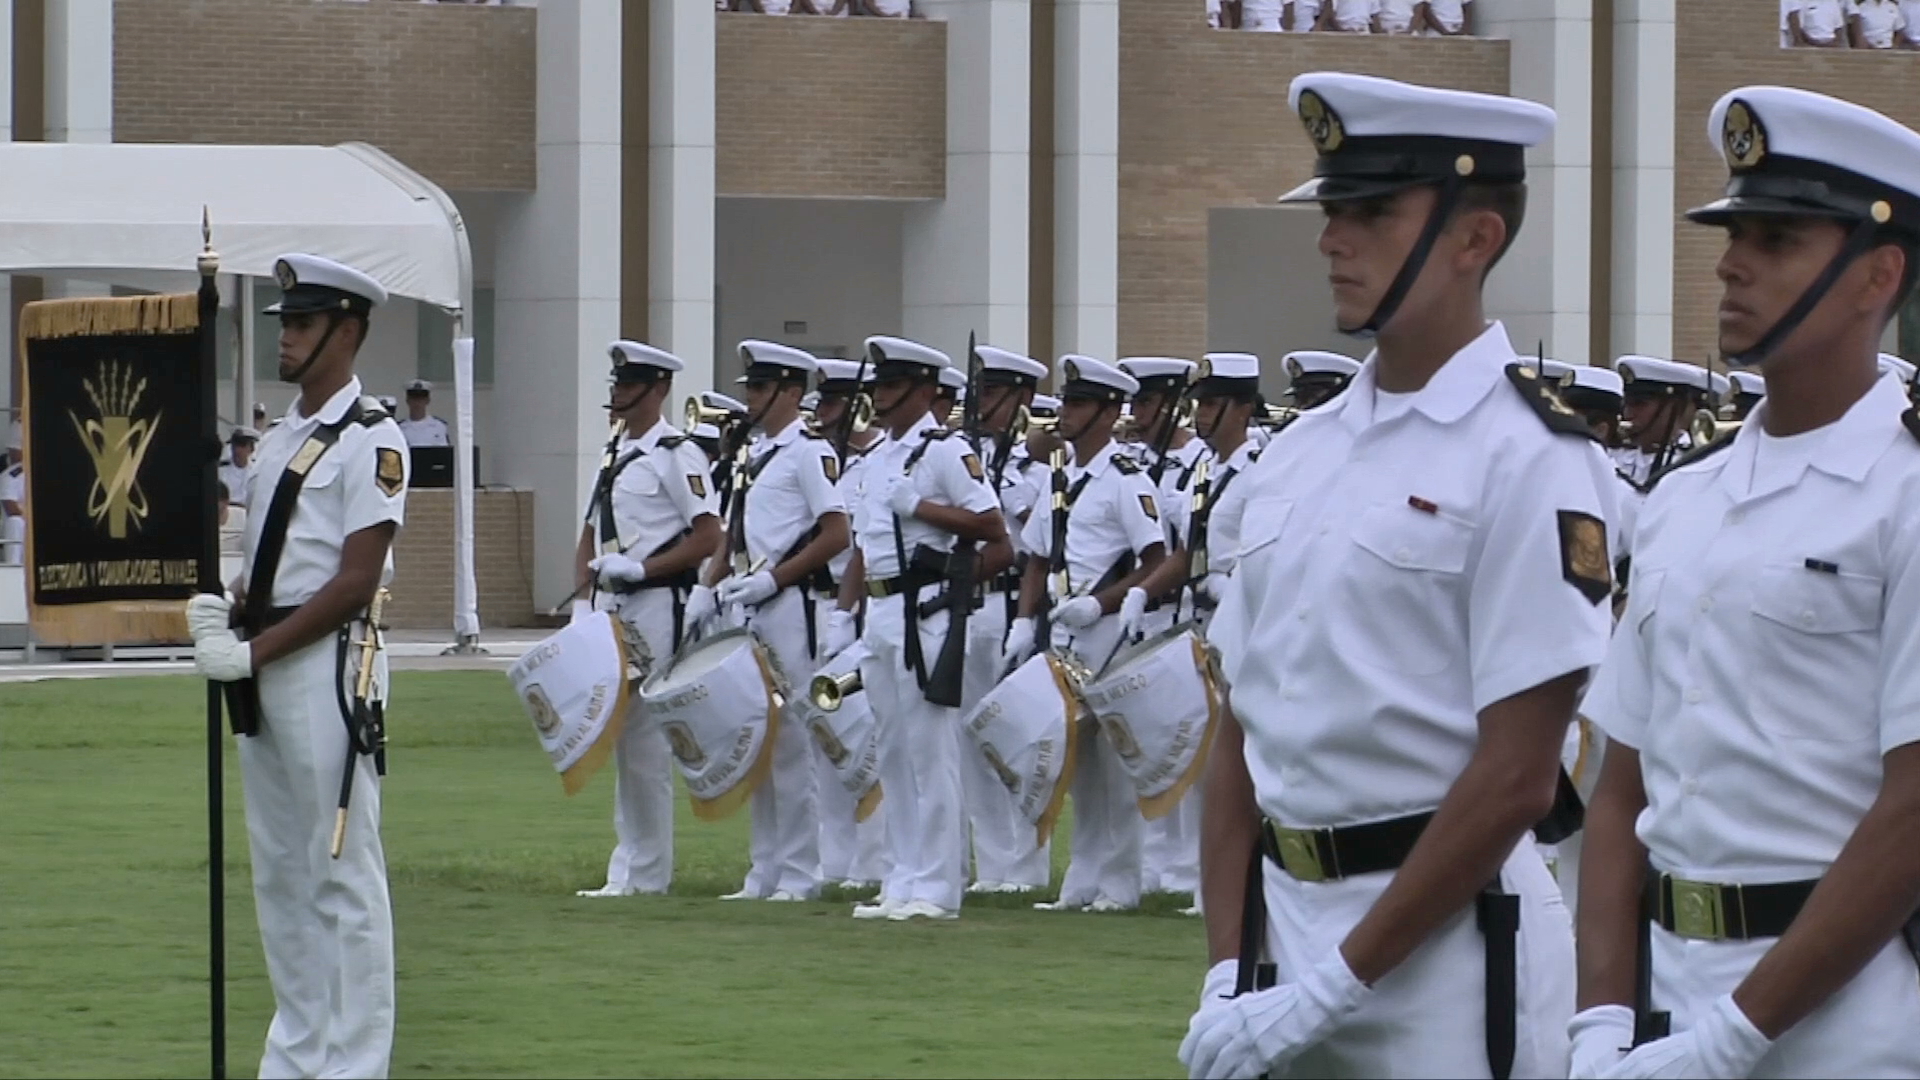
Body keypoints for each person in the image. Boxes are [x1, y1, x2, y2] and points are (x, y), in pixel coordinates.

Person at [1181, 73, 1614, 1080]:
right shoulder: (1298, 454)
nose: (1332, 239)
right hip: (1283, 932)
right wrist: (1230, 970)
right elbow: (1239, 731)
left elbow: (1518, 776)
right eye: (1332, 212)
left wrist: (1338, 985)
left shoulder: (1534, 456)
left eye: (1371, 213)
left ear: (1475, 239)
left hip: (1453, 960)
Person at [1572, 84, 1920, 1080]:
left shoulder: (1906, 491)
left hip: (1853, 1023)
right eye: (1734, 234)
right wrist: (1602, 1019)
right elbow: (1621, 787)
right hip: (1669, 994)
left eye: (1777, 240)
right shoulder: (1688, 495)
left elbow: (1912, 811)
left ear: (1878, 274)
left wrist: (1734, 1040)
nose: (1732, 262)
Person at [184, 253, 407, 1079]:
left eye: (304, 324)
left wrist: (250, 652)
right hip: (265, 663)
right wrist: (229, 606)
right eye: (285, 323)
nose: (286, 338)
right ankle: (298, 1053)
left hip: (327, 668)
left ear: (347, 332)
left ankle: (355, 1064)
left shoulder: (374, 440)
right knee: (280, 874)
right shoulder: (281, 439)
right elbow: (274, 564)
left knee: (342, 871)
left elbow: (354, 583)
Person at [823, 335, 1009, 922]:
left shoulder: (945, 451)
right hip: (881, 612)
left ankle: (938, 885)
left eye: (894, 386)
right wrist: (844, 615)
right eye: (879, 385)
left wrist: (921, 508)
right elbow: (864, 546)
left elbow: (992, 527)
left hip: (923, 609)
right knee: (893, 750)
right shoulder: (879, 456)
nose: (881, 396)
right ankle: (901, 876)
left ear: (925, 391)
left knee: (931, 752)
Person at [1006, 355, 1167, 914]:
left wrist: (1102, 602)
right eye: (1066, 403)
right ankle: (1083, 877)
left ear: (1107, 411)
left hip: (1108, 631)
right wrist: (1024, 620)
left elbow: (1155, 559)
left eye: (1077, 404)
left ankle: (1120, 883)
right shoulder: (1062, 478)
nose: (1065, 414)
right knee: (1079, 765)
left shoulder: (1125, 480)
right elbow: (1036, 556)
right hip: (1065, 632)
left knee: (1117, 764)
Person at [572, 341, 725, 898]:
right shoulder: (613, 452)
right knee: (623, 742)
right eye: (617, 382)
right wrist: (581, 605)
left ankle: (647, 873)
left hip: (658, 603)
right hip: (613, 603)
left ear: (658, 389)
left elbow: (709, 536)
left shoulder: (676, 455)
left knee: (645, 744)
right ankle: (628, 868)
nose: (619, 392)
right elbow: (589, 531)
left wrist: (642, 568)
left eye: (631, 383)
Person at [707, 341, 849, 903]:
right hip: (750, 604)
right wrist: (709, 588)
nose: (752, 399)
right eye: (750, 389)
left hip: (793, 607)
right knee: (757, 741)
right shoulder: (755, 451)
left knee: (791, 743)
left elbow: (837, 533)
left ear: (792, 392)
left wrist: (775, 579)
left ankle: (799, 873)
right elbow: (735, 532)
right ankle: (763, 870)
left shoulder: (808, 452)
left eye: (762, 389)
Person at [956, 343, 1053, 896]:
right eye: (979, 391)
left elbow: (1039, 539)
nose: (980, 402)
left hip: (1010, 603)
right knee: (971, 739)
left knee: (1015, 736)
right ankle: (992, 866)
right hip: (964, 604)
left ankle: (1027, 866)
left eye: (991, 392)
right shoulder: (959, 456)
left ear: (1021, 399)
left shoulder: (1034, 470)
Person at [808, 358, 890, 888]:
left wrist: (847, 614)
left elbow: (861, 545)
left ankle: (874, 860)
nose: (823, 412)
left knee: (869, 736)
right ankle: (834, 861)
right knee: (826, 736)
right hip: (821, 605)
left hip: (866, 608)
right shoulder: (820, 458)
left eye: (833, 402)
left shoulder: (882, 461)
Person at [1613, 355, 1711, 487]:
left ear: (1673, 407)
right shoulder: (1613, 458)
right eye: (1626, 404)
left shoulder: (1696, 463)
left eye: (1639, 404)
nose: (1627, 413)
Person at [397, 379, 450, 448]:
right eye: (414, 399)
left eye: (421, 399)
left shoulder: (439, 427)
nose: (417, 403)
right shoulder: (400, 428)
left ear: (427, 400)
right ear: (407, 400)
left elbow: (444, 451)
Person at [2, 420, 24, 565]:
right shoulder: (11, 475)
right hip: (22, 523)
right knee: (15, 522)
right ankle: (13, 565)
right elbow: (11, 508)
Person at [221, 427, 259, 509]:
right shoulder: (221, 470)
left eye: (242, 445)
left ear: (251, 449)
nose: (237, 450)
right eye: (234, 445)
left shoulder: (256, 472)